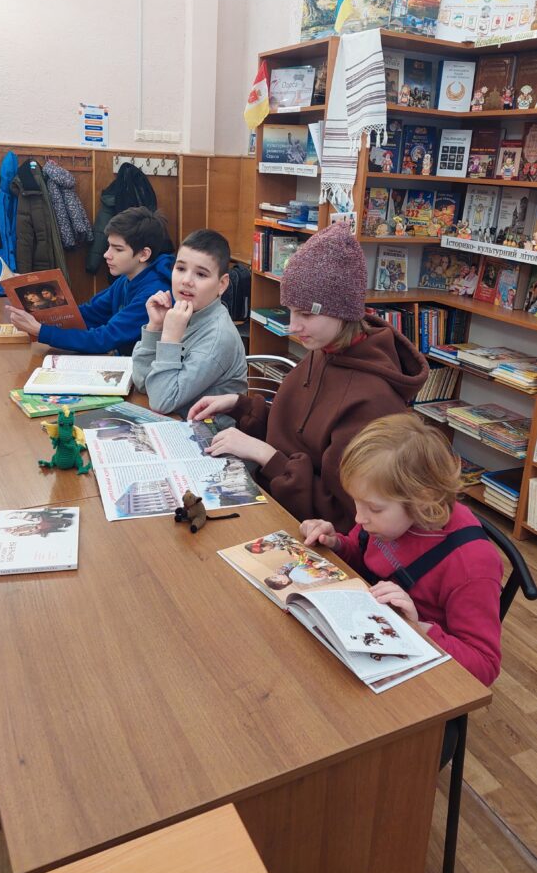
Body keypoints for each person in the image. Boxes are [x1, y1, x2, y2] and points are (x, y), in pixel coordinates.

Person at [189, 222, 428, 533]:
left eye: (306, 314)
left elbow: (345, 515)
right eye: (290, 311)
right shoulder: (327, 348)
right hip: (273, 502)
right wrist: (239, 405)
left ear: (343, 311)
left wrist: (265, 455)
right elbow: (296, 432)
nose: (293, 326)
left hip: (306, 531)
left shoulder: (373, 400)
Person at [300, 413, 503, 688]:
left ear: (422, 500)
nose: (359, 517)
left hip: (423, 671)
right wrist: (335, 543)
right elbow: (362, 554)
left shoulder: (471, 565)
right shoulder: (385, 519)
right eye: (356, 501)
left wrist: (418, 627)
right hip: (372, 630)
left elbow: (485, 666)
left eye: (374, 508)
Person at [6, 207, 175, 355]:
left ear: (144, 254)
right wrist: (36, 309)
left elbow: (104, 339)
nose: (106, 254)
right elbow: (88, 314)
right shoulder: (126, 279)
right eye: (108, 246)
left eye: (118, 249)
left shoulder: (154, 293)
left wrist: (41, 331)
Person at [132, 229, 247, 418]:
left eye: (201, 274)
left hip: (208, 432)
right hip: (175, 421)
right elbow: (142, 383)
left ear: (222, 285)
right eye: (180, 269)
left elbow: (161, 401)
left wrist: (170, 339)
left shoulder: (218, 337)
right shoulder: (184, 313)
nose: (186, 281)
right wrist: (155, 328)